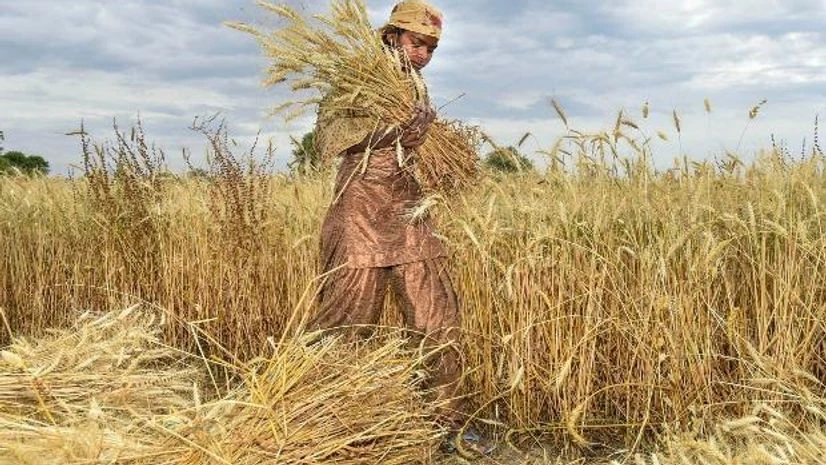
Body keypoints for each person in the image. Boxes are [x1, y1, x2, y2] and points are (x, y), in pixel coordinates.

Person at [308, 0, 494, 457]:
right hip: (361, 217)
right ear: (392, 36)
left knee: (438, 319)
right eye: (417, 43)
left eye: (432, 48)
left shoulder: (417, 88)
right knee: (346, 327)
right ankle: (328, 420)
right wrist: (393, 134)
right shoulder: (356, 81)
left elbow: (421, 152)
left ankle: (447, 424)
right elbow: (328, 139)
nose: (425, 54)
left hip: (411, 215)